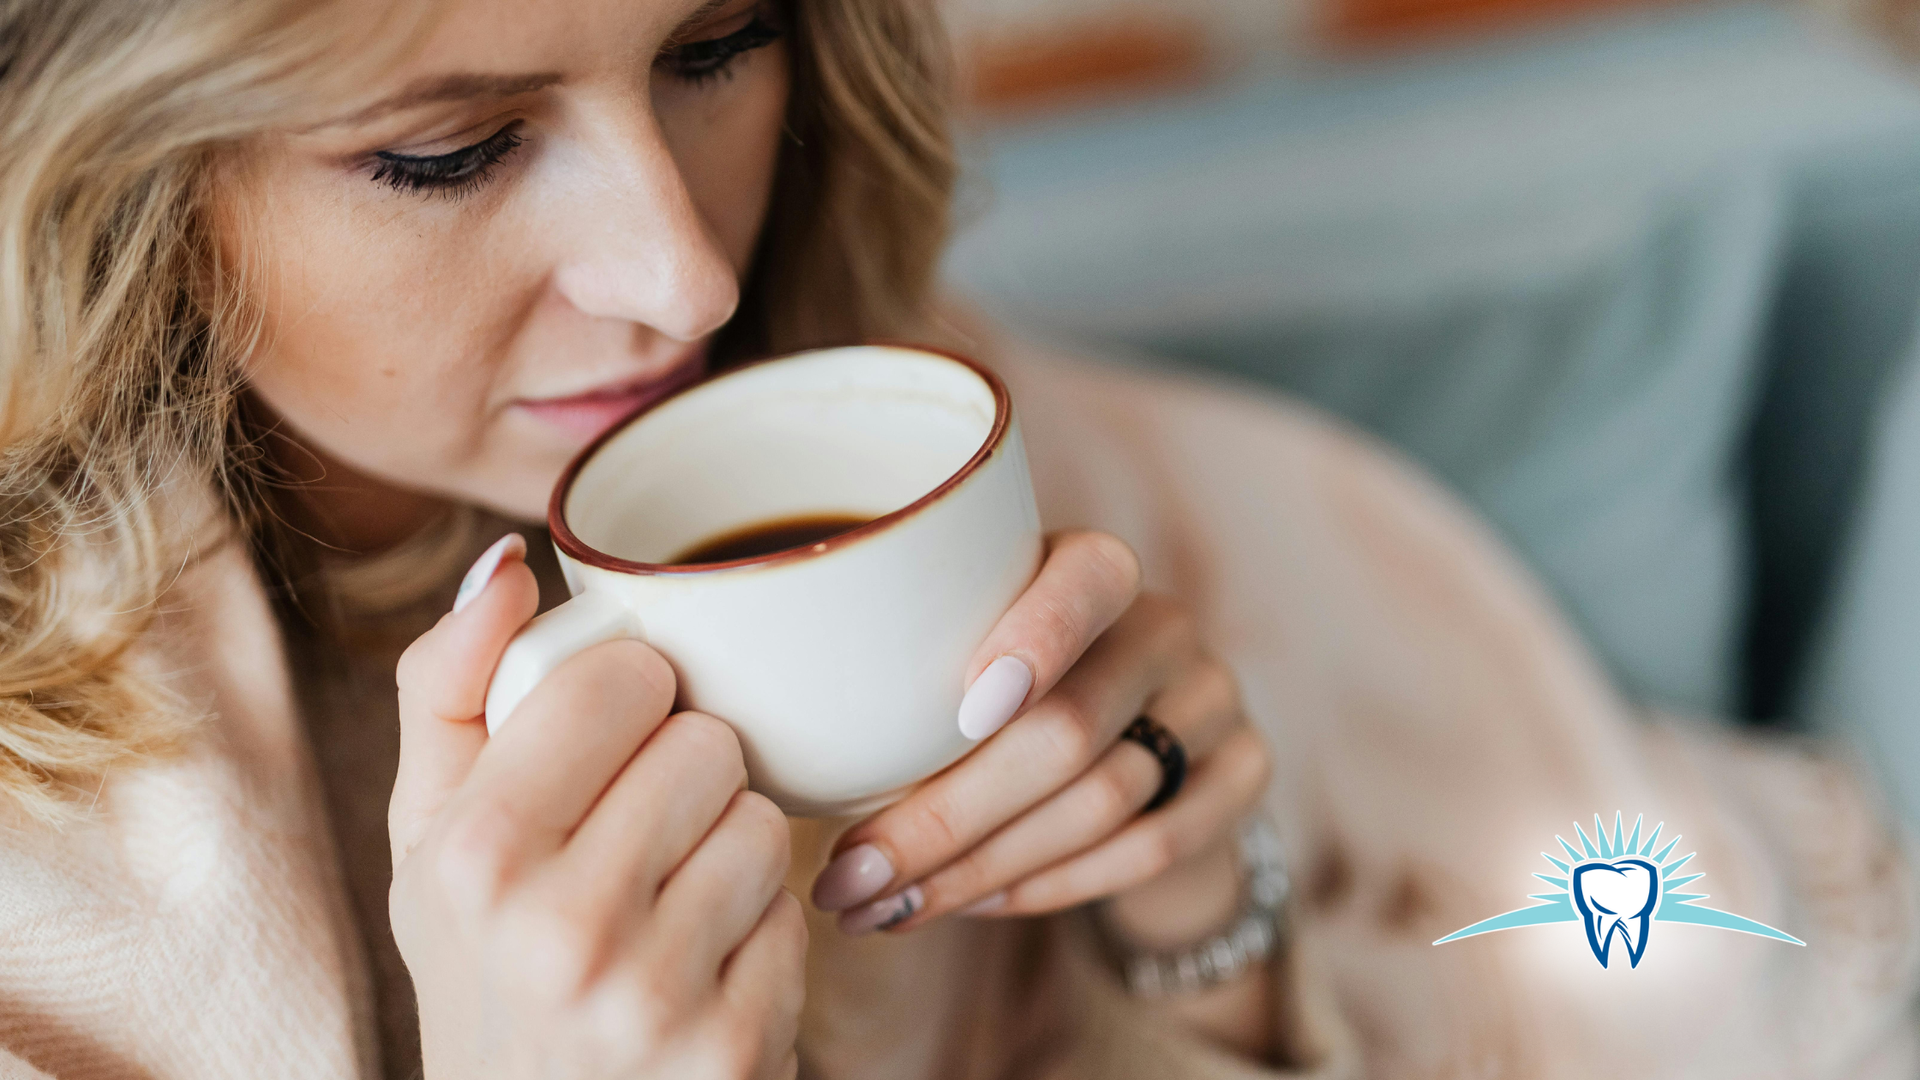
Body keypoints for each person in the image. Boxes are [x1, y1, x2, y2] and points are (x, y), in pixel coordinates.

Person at [0, 0, 1912, 1077]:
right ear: (101, 181)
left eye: (718, 44)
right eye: (449, 152)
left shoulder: (921, 455)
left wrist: (1198, 930)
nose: (680, 272)